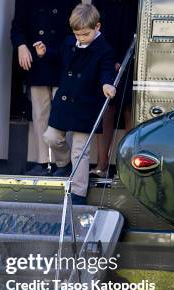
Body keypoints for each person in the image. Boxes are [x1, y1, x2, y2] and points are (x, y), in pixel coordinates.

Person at [35, 3, 115, 204]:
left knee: (81, 150)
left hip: (85, 105)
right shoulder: (69, 42)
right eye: (77, 34)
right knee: (51, 137)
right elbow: (59, 58)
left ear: (98, 27)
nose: (81, 38)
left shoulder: (104, 49)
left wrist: (107, 84)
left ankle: (78, 193)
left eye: (85, 34)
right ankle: (64, 163)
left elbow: (106, 70)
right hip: (65, 102)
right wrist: (45, 53)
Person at [10, 0, 81, 176]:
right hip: (37, 62)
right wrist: (21, 46)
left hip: (63, 62)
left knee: (60, 116)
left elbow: (77, 27)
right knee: (39, 114)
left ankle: (63, 163)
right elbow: (17, 27)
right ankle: (42, 163)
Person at [90, 0, 137, 178]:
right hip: (105, 56)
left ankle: (129, 166)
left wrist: (122, 56)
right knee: (106, 108)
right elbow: (96, 22)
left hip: (131, 55)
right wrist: (107, 56)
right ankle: (102, 164)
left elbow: (137, 24)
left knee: (129, 109)